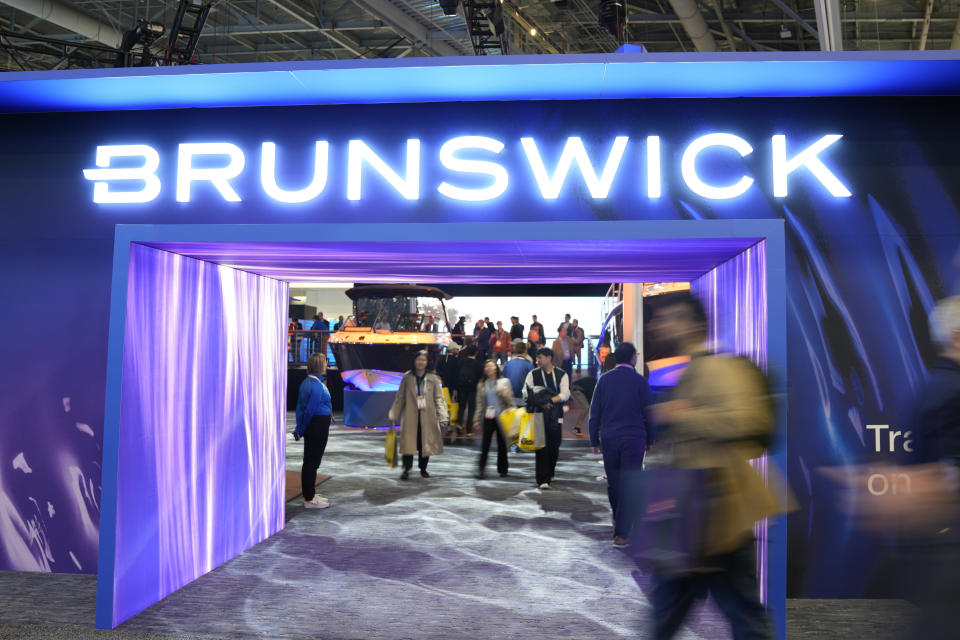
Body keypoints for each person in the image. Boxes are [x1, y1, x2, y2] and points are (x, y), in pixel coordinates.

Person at [646, 292, 783, 640]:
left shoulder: (721, 368)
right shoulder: (686, 369)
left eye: (672, 317)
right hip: (690, 513)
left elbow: (747, 419)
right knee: (669, 612)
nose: (662, 324)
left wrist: (685, 415)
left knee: (744, 616)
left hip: (720, 514)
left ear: (695, 324)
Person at [587, 342, 655, 548]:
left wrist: (593, 440)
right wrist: (651, 439)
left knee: (614, 481)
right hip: (634, 438)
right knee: (629, 483)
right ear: (633, 358)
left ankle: (618, 519)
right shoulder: (640, 381)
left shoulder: (604, 380)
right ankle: (622, 533)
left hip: (610, 438)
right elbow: (649, 414)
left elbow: (594, 412)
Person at [388, 352, 448, 480]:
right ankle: (406, 469)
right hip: (411, 416)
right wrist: (393, 414)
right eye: (418, 359)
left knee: (425, 445)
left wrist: (443, 416)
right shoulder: (407, 377)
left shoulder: (432, 378)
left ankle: (423, 468)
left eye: (423, 360)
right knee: (408, 445)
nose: (420, 362)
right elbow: (400, 398)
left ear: (427, 362)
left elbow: (439, 398)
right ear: (414, 361)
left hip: (428, 417)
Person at [523, 347, 570, 489]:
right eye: (537, 358)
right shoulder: (533, 374)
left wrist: (550, 401)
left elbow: (565, 394)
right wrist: (539, 402)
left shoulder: (562, 374)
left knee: (554, 444)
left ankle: (550, 471)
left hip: (556, 414)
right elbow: (525, 392)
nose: (537, 361)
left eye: (540, 358)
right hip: (538, 413)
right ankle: (542, 478)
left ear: (549, 358)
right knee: (540, 446)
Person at [294, 353, 333, 509]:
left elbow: (299, 408)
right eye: (324, 362)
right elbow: (309, 410)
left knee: (310, 461)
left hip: (315, 424)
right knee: (312, 462)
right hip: (318, 425)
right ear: (319, 365)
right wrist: (301, 429)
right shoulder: (316, 385)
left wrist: (300, 427)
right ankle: (309, 499)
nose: (326, 365)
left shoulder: (306, 383)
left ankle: (309, 494)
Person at [473, 359, 515, 478]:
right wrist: (476, 420)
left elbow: (511, 402)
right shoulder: (481, 384)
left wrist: (505, 395)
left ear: (496, 368)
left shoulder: (504, 382)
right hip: (489, 417)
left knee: (502, 444)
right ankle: (481, 469)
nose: (489, 369)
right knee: (485, 444)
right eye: (487, 367)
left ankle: (503, 469)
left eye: (491, 366)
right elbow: (479, 403)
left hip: (502, 416)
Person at [457, 345, 484, 436]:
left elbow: (456, 374)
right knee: (471, 408)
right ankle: (469, 430)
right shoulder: (478, 364)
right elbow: (481, 377)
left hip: (462, 387)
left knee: (461, 406)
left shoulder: (461, 362)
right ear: (476, 353)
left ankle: (459, 424)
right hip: (473, 388)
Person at [437, 343, 461, 425]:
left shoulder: (441, 358)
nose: (458, 351)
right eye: (457, 349)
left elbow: (437, 371)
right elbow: (456, 375)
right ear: (452, 350)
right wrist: (455, 389)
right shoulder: (456, 360)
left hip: (443, 386)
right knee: (451, 403)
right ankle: (451, 422)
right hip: (452, 386)